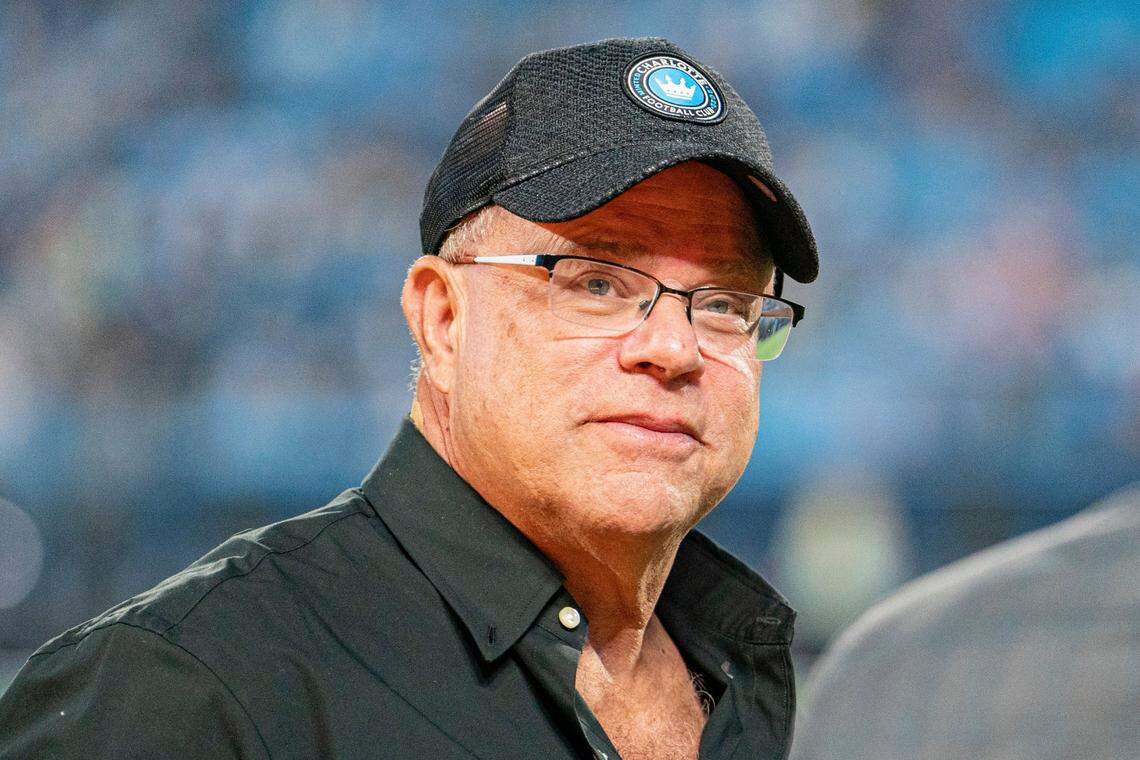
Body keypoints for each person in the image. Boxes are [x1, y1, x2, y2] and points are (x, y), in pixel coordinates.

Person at [0, 37, 818, 759]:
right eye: (596, 282)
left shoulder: (760, 683)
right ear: (442, 319)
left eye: (724, 305)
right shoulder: (190, 688)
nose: (674, 348)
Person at [790, 484, 1140, 760]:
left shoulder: (901, 658)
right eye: (826, 534)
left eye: (854, 535)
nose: (841, 558)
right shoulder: (885, 661)